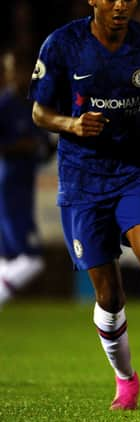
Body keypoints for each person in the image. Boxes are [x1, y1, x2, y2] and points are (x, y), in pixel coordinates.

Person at [29, 0, 140, 410]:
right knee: (110, 298)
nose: (121, 5)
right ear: (93, 1)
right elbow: (39, 111)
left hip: (135, 171)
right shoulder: (62, 45)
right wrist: (72, 124)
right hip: (82, 183)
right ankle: (126, 380)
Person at [0, 50, 53, 309]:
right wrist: (25, 145)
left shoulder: (34, 105)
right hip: (7, 187)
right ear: (8, 72)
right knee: (31, 260)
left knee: (8, 259)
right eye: (14, 68)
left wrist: (50, 146)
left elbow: (41, 150)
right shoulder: (4, 106)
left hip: (24, 186)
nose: (21, 74)